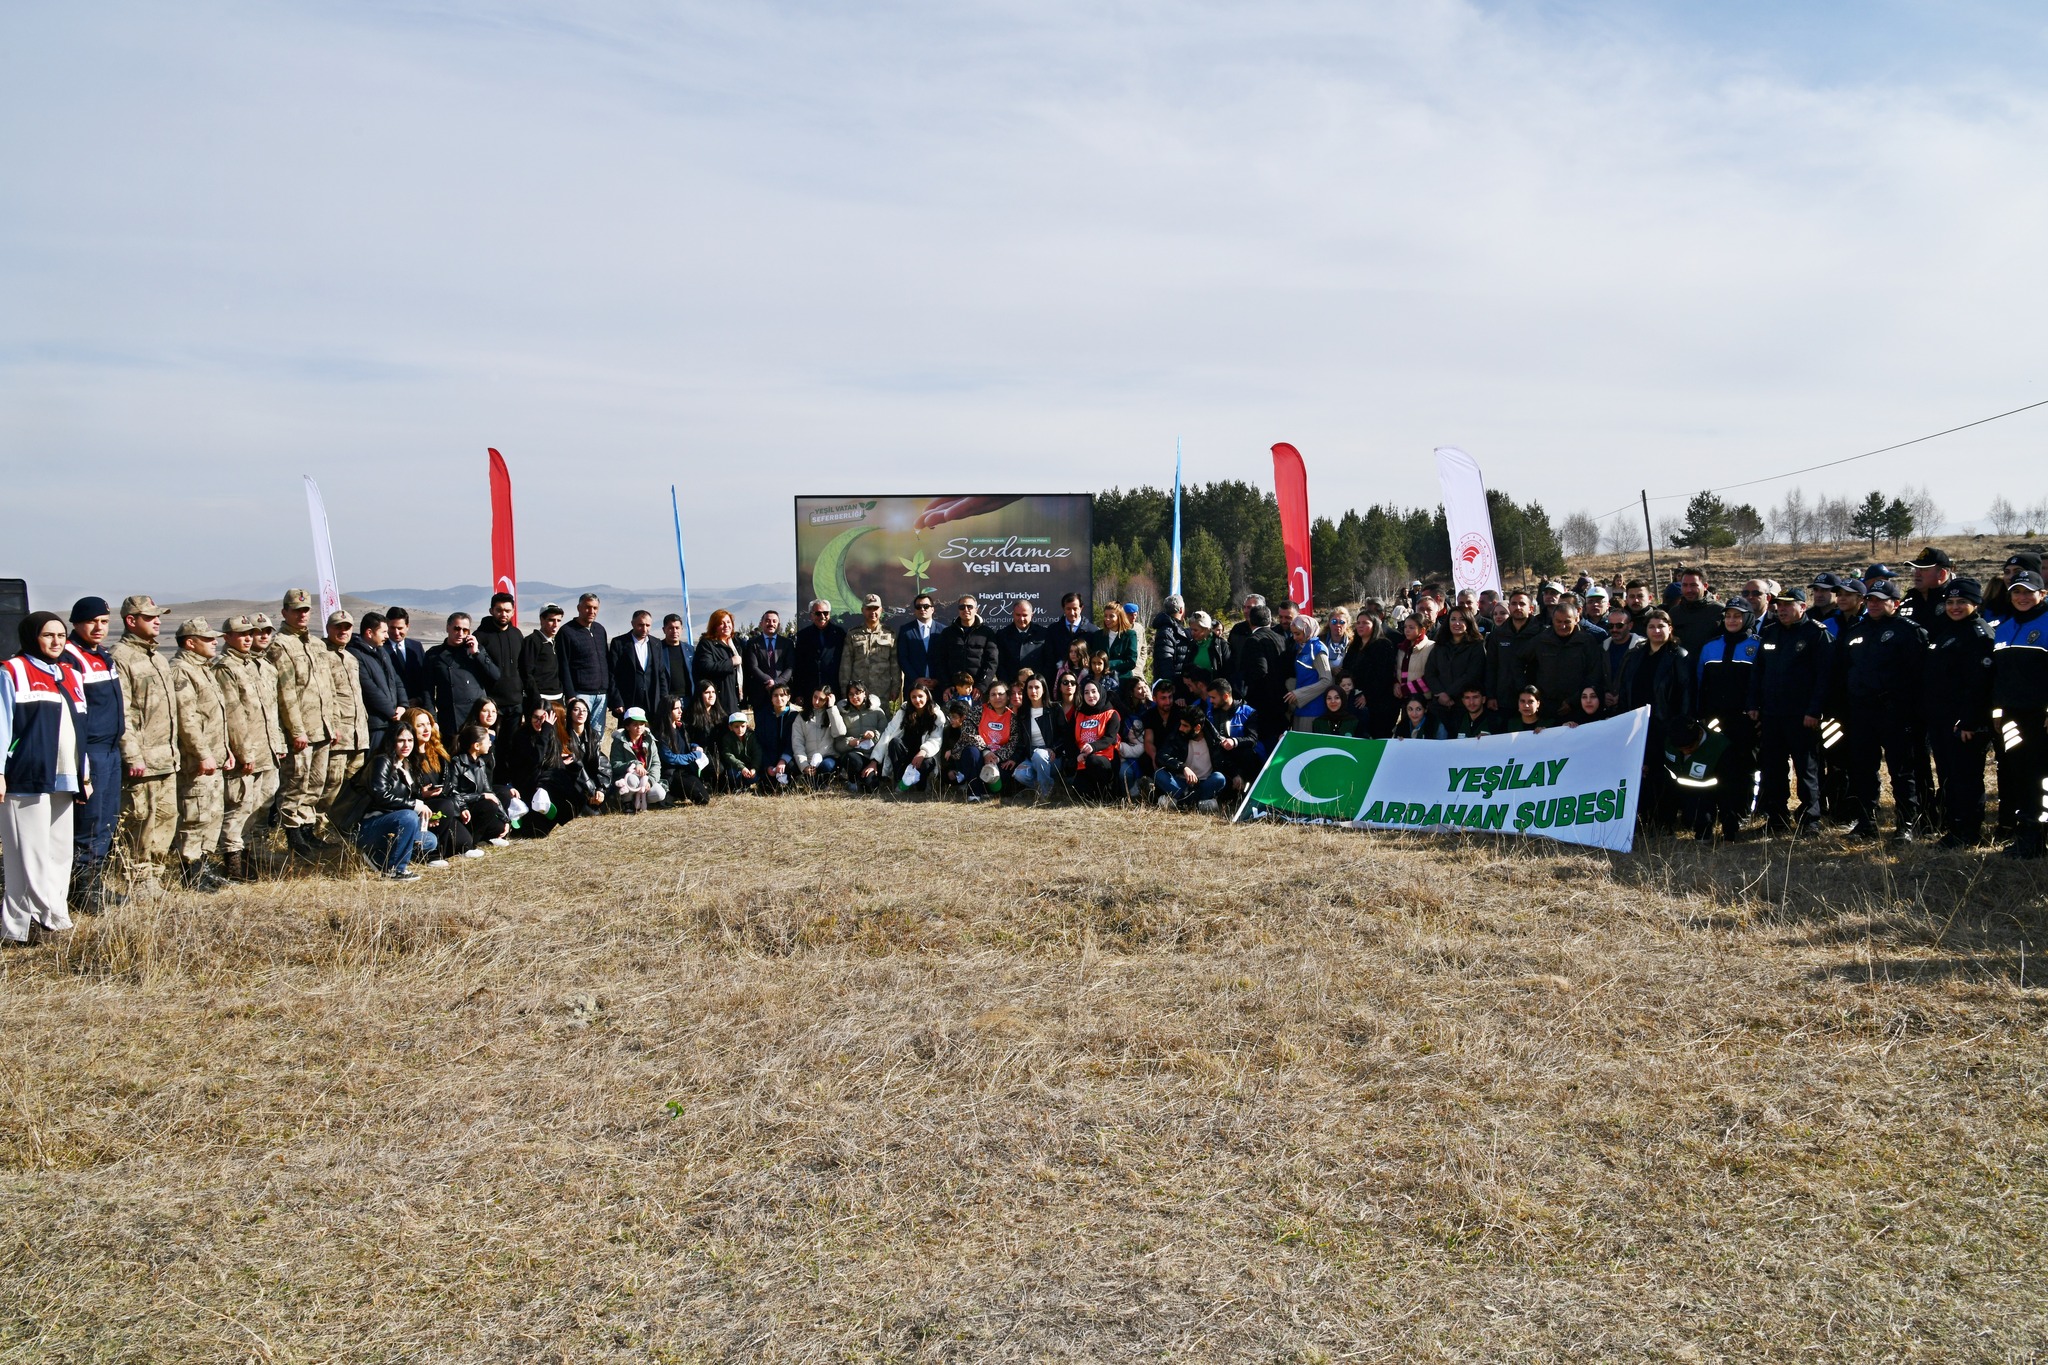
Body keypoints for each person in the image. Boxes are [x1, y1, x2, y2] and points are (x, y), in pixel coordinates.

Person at [1, 613, 91, 944]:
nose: (56, 641)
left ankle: (23, 927)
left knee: (58, 851)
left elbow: (79, 727)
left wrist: (84, 773)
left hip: (66, 776)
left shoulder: (70, 673)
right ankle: (46, 921)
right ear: (31, 637)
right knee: (27, 853)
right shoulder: (12, 671)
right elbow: (2, 723)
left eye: (61, 635)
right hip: (25, 776)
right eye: (47, 635)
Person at [1747, 588, 1832, 835]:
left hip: (1802, 716)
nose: (1781, 610)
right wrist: (1753, 704)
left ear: (1802, 607)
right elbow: (1757, 673)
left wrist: (1815, 711)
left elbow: (1824, 678)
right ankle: (1777, 818)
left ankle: (1810, 820)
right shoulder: (1770, 633)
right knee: (1773, 769)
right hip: (1772, 715)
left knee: (1806, 769)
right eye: (1779, 605)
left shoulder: (1816, 634)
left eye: (1788, 605)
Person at [59, 597, 124, 911]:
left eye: (104, 621)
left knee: (107, 820)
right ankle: (82, 891)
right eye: (91, 621)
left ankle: (96, 884)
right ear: (75, 622)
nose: (98, 628)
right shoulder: (70, 657)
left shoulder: (103, 656)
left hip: (112, 749)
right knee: (89, 822)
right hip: (92, 751)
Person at [110, 594, 179, 890]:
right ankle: (136, 879)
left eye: (158, 616)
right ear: (131, 621)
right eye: (150, 617)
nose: (157, 621)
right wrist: (132, 755)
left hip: (166, 756)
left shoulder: (158, 657)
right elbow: (122, 712)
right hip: (144, 759)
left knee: (165, 818)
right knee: (141, 820)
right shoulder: (120, 657)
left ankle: (155, 876)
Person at [213, 616, 283, 882]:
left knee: (260, 807)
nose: (247, 638)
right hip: (246, 753)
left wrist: (278, 742)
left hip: (267, 750)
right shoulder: (225, 668)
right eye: (241, 634)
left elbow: (270, 710)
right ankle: (232, 866)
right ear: (227, 637)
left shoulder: (257, 665)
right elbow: (233, 716)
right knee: (239, 807)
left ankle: (253, 856)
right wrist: (243, 752)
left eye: (250, 633)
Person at [1924, 578, 1993, 848]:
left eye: (1961, 602)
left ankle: (1969, 832)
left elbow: (1979, 685)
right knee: (1949, 776)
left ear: (1975, 604)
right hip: (1942, 719)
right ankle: (1954, 828)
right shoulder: (1947, 630)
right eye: (1950, 602)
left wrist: (1970, 721)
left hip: (1964, 723)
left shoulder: (1978, 634)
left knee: (1966, 778)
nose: (1954, 607)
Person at [268, 588, 336, 860]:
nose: (302, 614)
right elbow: (285, 694)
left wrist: (332, 725)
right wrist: (296, 731)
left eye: (306, 610)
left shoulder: (317, 645)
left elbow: (327, 688)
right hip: (301, 730)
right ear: (285, 612)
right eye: (296, 610)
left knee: (317, 783)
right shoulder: (280, 645)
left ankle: (308, 830)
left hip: (322, 727)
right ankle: (293, 834)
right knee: (295, 782)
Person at [168, 618, 233, 893]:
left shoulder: (203, 669)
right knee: (195, 815)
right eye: (208, 639)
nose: (215, 642)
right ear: (190, 642)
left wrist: (226, 750)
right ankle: (190, 872)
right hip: (197, 761)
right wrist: (203, 754)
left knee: (212, 813)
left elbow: (217, 716)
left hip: (215, 756)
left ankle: (204, 866)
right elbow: (188, 720)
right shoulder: (181, 671)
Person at [1618, 610, 1696, 833]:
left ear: (1670, 629)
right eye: (1652, 627)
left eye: (1661, 626)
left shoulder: (1678, 655)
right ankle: (1645, 816)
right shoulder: (1637, 654)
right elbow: (1625, 687)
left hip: (1666, 724)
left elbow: (1687, 693)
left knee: (1665, 773)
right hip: (1639, 724)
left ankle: (1666, 819)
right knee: (1642, 770)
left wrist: (1683, 725)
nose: (1656, 631)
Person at [1989, 570, 2048, 857]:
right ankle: (2028, 835)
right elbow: (1997, 678)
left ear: (2042, 594)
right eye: (2016, 592)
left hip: (2041, 716)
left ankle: (2042, 836)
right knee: (2020, 774)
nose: (2022, 597)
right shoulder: (2003, 627)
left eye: (2028, 592)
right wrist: (1998, 711)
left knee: (2042, 776)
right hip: (2012, 717)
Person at [1693, 599, 1761, 840]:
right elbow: (1700, 682)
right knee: (1717, 768)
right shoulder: (1710, 646)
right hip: (1714, 720)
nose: (1732, 620)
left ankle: (1739, 815)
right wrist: (1701, 714)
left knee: (1744, 768)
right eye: (1728, 616)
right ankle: (1714, 818)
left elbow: (1760, 682)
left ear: (1748, 618)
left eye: (1738, 616)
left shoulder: (1757, 646)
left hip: (1745, 719)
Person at [353, 726, 439, 880]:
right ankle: (394, 870)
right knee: (408, 817)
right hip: (367, 827)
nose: (407, 745)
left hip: (391, 825)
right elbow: (381, 795)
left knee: (429, 841)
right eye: (401, 740)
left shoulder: (406, 764)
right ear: (391, 741)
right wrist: (416, 806)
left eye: (410, 740)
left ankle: (378, 857)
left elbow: (406, 799)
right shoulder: (382, 760)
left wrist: (423, 815)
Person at [318, 611, 371, 836]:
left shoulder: (350, 658)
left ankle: (342, 826)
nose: (343, 632)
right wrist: (331, 727)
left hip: (358, 733)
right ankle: (318, 829)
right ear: (328, 629)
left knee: (354, 784)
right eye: (338, 627)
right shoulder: (321, 656)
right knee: (331, 784)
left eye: (347, 627)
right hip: (339, 734)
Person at [423, 612, 501, 745]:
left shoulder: (476, 650)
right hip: (450, 718)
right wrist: (432, 718)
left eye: (465, 630)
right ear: (448, 628)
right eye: (456, 628)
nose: (460, 633)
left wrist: (477, 653)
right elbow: (426, 689)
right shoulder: (434, 655)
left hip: (475, 716)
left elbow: (495, 675)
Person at [1527, 596, 1608, 723]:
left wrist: (1573, 701)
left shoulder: (1587, 642)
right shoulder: (1540, 640)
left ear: (1576, 619)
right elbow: (1525, 666)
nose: (1562, 626)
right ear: (1552, 620)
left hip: (1579, 708)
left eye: (1567, 622)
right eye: (1558, 622)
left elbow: (1594, 674)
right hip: (1546, 709)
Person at [497, 700, 566, 838]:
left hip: (543, 788)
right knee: (531, 832)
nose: (539, 722)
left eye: (543, 718)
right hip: (525, 787)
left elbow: (555, 765)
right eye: (536, 717)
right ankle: (518, 812)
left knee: (540, 832)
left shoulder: (553, 737)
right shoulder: (521, 736)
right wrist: (545, 731)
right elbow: (536, 759)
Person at [349, 612, 407, 755]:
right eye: (384, 632)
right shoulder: (355, 654)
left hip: (391, 722)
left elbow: (396, 679)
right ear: (369, 633)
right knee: (375, 764)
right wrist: (391, 711)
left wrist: (403, 705)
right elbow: (369, 689)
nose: (387, 636)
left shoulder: (382, 652)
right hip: (376, 725)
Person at [447, 723, 513, 843]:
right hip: (463, 810)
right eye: (487, 741)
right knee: (489, 806)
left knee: (498, 827)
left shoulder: (480, 763)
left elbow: (489, 793)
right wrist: (481, 796)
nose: (490, 743)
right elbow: (453, 793)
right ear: (477, 746)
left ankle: (485, 838)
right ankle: (471, 843)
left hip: (476, 805)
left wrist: (506, 820)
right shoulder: (456, 763)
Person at [1423, 607, 1485, 731]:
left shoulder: (1476, 646)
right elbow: (1430, 673)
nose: (1457, 623)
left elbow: (1472, 674)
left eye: (1462, 620)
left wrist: (1449, 694)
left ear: (1468, 623)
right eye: (1453, 619)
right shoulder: (1439, 646)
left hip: (1464, 705)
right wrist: (1440, 693)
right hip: (1439, 705)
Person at [1154, 706, 1228, 811]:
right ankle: (1197, 805)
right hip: (1181, 783)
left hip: (1204, 784)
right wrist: (1183, 768)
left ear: (1197, 728)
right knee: (1159, 774)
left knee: (1219, 778)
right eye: (1181, 724)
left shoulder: (1214, 739)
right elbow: (1161, 756)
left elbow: (1224, 764)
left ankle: (1178, 803)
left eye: (1185, 726)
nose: (1181, 728)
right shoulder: (1178, 734)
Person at [557, 593, 611, 735]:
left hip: (601, 694)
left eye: (595, 608)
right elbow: (563, 665)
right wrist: (570, 695)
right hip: (580, 693)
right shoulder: (566, 632)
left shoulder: (600, 630)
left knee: (597, 734)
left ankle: (594, 757)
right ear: (579, 608)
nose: (591, 611)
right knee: (578, 733)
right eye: (587, 607)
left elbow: (606, 660)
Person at [606, 609, 670, 728]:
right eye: (641, 625)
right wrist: (617, 701)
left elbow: (661, 675)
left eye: (648, 625)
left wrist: (664, 700)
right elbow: (612, 675)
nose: (644, 629)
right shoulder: (619, 643)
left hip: (652, 702)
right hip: (629, 701)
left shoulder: (656, 644)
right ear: (633, 623)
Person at [473, 592, 526, 730]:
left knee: (512, 747)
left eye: (508, 611)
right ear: (491, 611)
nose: (504, 614)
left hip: (515, 703)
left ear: (513, 612)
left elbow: (523, 667)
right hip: (491, 705)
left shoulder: (517, 634)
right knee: (491, 745)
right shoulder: (480, 636)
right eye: (499, 610)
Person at [880, 679, 944, 793]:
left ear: (927, 697)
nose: (917, 700)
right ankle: (901, 780)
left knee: (926, 765)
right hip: (906, 754)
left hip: (924, 756)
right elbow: (888, 732)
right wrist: (875, 759)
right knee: (894, 742)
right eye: (913, 697)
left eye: (920, 696)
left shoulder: (936, 714)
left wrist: (923, 751)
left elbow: (937, 738)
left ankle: (922, 783)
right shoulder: (904, 711)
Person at [839, 594, 900, 710]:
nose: (873, 612)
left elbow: (895, 665)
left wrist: (895, 688)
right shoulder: (853, 634)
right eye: (869, 609)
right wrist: (844, 690)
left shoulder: (889, 634)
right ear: (863, 610)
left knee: (882, 723)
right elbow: (845, 665)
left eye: (876, 608)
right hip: (857, 692)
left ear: (881, 610)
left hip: (882, 690)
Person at [742, 610, 793, 745]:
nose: (771, 624)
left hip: (781, 695)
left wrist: (776, 684)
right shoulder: (753, 643)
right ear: (761, 623)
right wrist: (768, 681)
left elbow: (790, 667)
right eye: (768, 621)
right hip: (760, 695)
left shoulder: (787, 643)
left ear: (778, 624)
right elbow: (753, 667)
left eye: (774, 621)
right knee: (762, 732)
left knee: (783, 730)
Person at [1485, 590, 1544, 708]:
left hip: (1533, 698)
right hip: (1504, 696)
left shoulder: (1542, 633)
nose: (1518, 607)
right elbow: (1491, 666)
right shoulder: (1497, 635)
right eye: (1514, 603)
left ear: (1531, 608)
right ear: (1509, 607)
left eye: (1522, 604)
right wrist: (1491, 695)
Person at [934, 595, 1001, 695]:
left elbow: (992, 661)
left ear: (976, 609)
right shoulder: (947, 633)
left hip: (978, 691)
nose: (966, 610)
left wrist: (981, 686)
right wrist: (946, 685)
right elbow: (940, 661)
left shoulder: (987, 633)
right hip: (954, 690)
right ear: (958, 610)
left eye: (969, 607)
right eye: (962, 607)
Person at [652, 695, 711, 805]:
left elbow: (684, 745)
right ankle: (671, 793)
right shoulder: (661, 734)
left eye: (681, 708)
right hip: (672, 773)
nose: (680, 711)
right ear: (667, 711)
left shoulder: (681, 727)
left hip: (686, 770)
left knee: (704, 796)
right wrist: (694, 756)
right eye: (676, 708)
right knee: (702, 798)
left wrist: (694, 746)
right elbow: (671, 758)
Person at [832, 680, 888, 791]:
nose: (854, 697)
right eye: (851, 694)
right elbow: (837, 743)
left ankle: (867, 779)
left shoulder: (878, 712)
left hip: (874, 757)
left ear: (865, 693)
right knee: (851, 759)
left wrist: (874, 734)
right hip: (855, 755)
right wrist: (849, 742)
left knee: (871, 788)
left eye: (858, 693)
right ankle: (852, 781)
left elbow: (886, 735)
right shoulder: (843, 714)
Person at [606, 709, 663, 813]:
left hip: (645, 778)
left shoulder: (650, 740)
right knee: (633, 780)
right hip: (627, 778)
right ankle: (626, 802)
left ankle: (641, 800)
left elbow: (656, 764)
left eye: (642, 724)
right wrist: (634, 764)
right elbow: (615, 765)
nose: (639, 727)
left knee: (660, 794)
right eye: (635, 724)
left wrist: (650, 781)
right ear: (627, 726)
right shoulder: (619, 741)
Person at [791, 599, 847, 704]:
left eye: (825, 613)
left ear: (829, 614)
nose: (822, 616)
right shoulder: (803, 636)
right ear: (811, 615)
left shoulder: (839, 634)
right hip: (810, 691)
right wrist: (798, 693)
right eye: (818, 613)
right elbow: (799, 666)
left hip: (833, 689)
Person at [693, 609, 746, 717]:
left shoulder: (737, 643)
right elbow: (706, 667)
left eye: (728, 622)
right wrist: (731, 662)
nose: (726, 625)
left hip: (736, 697)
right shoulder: (707, 644)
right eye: (721, 623)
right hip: (718, 699)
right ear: (714, 626)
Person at [519, 603, 567, 719]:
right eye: (551, 620)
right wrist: (536, 698)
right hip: (540, 699)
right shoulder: (532, 641)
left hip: (557, 697)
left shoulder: (555, 642)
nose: (555, 624)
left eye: (558, 620)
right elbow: (526, 672)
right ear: (542, 619)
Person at [1285, 615, 1334, 730]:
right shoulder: (1302, 647)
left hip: (1313, 711)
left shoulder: (1317, 649)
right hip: (1300, 709)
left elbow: (1327, 680)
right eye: (1293, 633)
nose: (1294, 637)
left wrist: (1299, 694)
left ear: (1308, 630)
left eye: (1298, 633)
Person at [1043, 592, 1106, 677]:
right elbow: (1049, 659)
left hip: (1085, 681)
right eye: (1068, 609)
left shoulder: (1092, 631)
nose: (1072, 613)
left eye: (1075, 609)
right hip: (1059, 680)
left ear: (1081, 608)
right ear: (1063, 609)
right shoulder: (1053, 630)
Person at [791, 686, 842, 790]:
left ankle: (820, 784)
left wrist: (831, 708)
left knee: (826, 766)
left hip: (827, 757)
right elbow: (797, 742)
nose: (817, 701)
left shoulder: (832, 714)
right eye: (815, 697)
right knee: (791, 766)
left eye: (821, 699)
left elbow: (840, 732)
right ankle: (810, 781)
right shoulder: (801, 717)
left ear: (827, 699)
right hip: (807, 758)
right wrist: (804, 765)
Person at [1669, 568, 1725, 655]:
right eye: (1684, 585)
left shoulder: (1719, 611)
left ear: (1705, 586)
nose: (1688, 590)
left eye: (1693, 585)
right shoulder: (1674, 613)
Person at [895, 593, 942, 698]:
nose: (922, 609)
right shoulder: (905, 630)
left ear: (932, 609)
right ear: (914, 610)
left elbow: (946, 658)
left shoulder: (943, 631)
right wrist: (916, 679)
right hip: (913, 687)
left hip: (937, 687)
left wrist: (937, 680)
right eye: (918, 607)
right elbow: (902, 658)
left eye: (926, 606)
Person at [995, 599, 1050, 687]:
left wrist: (1039, 683)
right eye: (1018, 615)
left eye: (1025, 615)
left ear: (1032, 615)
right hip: (1012, 687)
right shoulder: (1002, 635)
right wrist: (1009, 685)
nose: (1021, 619)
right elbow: (1000, 664)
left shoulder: (1043, 634)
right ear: (1013, 614)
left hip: (1036, 686)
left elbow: (1049, 662)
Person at [382, 607, 429, 703]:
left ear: (407, 626)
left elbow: (425, 677)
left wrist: (419, 699)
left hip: (416, 706)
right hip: (392, 707)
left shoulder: (416, 647)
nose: (396, 632)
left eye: (400, 628)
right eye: (392, 628)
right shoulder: (380, 648)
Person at [711, 711, 759, 793]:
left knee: (755, 777)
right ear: (730, 727)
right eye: (736, 727)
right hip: (735, 767)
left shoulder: (752, 736)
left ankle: (746, 786)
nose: (740, 729)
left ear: (746, 726)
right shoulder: (727, 738)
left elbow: (757, 753)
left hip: (749, 766)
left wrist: (754, 768)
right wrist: (742, 767)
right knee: (732, 774)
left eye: (743, 726)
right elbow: (728, 755)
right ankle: (737, 787)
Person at [1393, 613, 1433, 712]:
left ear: (1422, 630)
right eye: (1405, 626)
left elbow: (1431, 676)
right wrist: (1396, 684)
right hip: (1405, 700)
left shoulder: (1431, 648)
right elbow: (1397, 670)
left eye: (1411, 627)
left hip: (1423, 700)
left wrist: (1405, 689)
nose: (1407, 630)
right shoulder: (1402, 648)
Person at [654, 615, 694, 712]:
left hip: (688, 698)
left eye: (677, 628)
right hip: (668, 699)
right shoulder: (657, 649)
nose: (674, 631)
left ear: (682, 629)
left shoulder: (690, 649)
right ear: (664, 630)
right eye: (671, 628)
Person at [1150, 596, 1191, 685]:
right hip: (1172, 687)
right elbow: (1165, 664)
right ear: (1181, 610)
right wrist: (1170, 688)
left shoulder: (1174, 629)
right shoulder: (1166, 631)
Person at [1100, 603, 1139, 688]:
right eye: (1105, 616)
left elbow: (1131, 661)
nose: (1107, 619)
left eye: (1111, 616)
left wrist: (1107, 664)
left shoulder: (1130, 635)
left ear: (1120, 617)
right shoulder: (1098, 635)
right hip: (1101, 682)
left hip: (1123, 682)